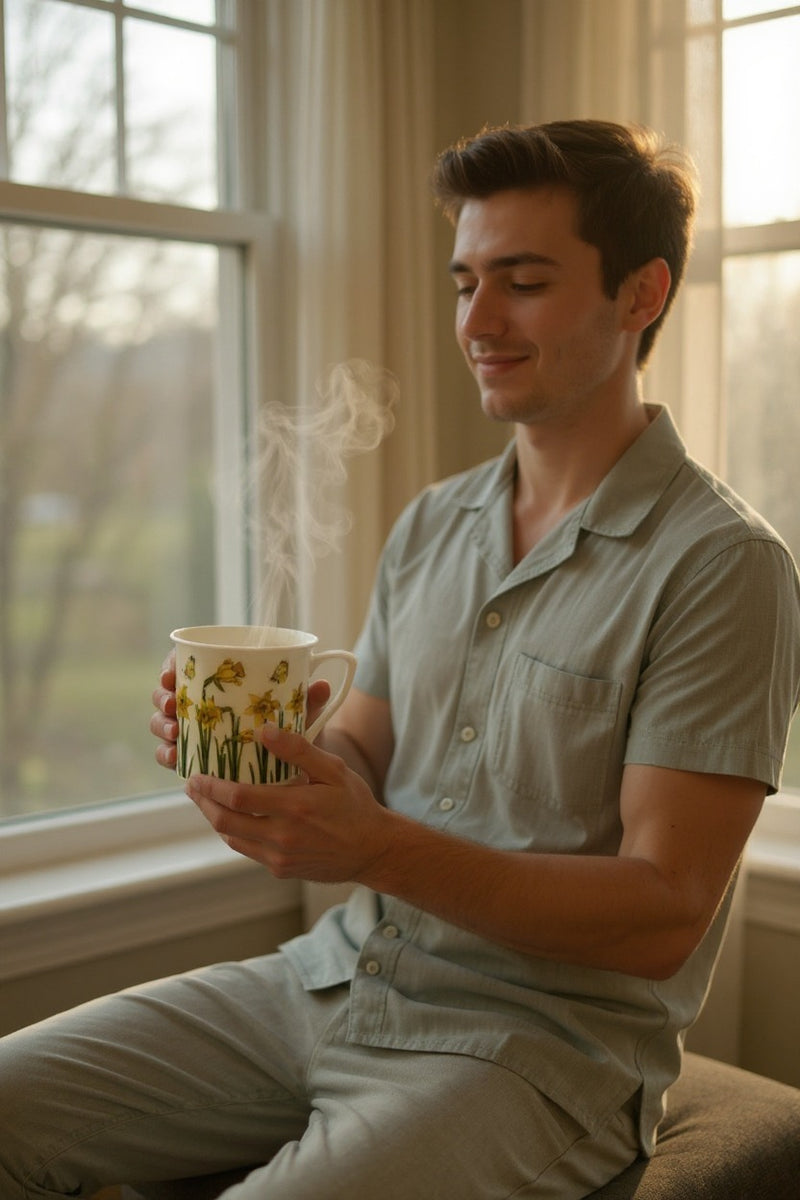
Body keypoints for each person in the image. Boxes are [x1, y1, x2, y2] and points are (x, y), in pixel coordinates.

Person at [2, 119, 799, 1200]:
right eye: (464, 281)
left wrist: (372, 848)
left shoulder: (720, 566)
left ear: (640, 294)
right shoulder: (432, 523)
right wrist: (277, 767)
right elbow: (364, 748)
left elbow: (661, 912)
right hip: (327, 979)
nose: (476, 321)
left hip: (532, 1054)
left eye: (520, 282)